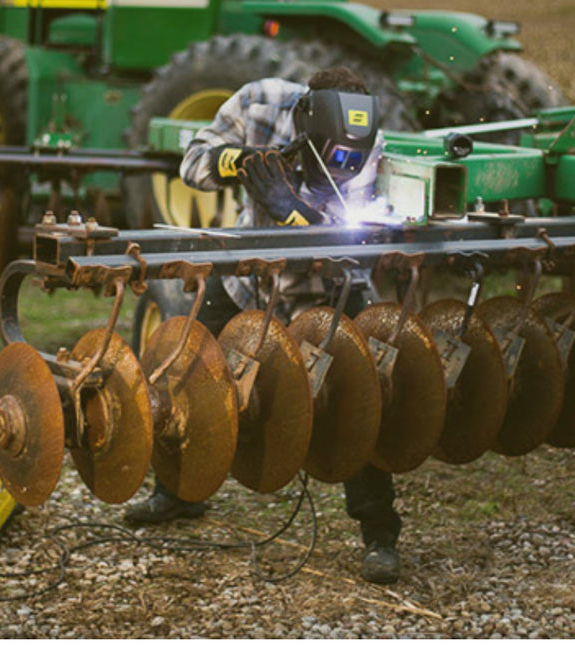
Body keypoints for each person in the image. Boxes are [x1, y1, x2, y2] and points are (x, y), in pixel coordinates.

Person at [124, 67, 402, 585]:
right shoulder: (258, 103)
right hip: (249, 281)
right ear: (307, 116)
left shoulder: (369, 143)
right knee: (191, 370)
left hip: (330, 286)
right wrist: (239, 162)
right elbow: (192, 164)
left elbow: (343, 243)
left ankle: (379, 532)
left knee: (359, 397)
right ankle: (178, 490)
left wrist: (291, 210)